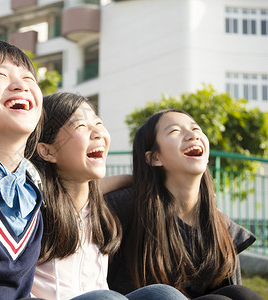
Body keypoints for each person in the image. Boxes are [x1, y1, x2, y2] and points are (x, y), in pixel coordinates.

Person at [31, 93, 188, 300]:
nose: (98, 133)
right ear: (47, 151)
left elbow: (95, 191)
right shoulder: (32, 207)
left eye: (98, 123)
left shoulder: (98, 211)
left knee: (165, 294)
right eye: (81, 127)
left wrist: (132, 179)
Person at [105, 109, 263, 300]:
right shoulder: (127, 205)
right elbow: (68, 198)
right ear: (155, 157)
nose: (193, 135)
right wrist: (129, 179)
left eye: (196, 128)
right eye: (175, 131)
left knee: (240, 294)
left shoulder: (221, 226)